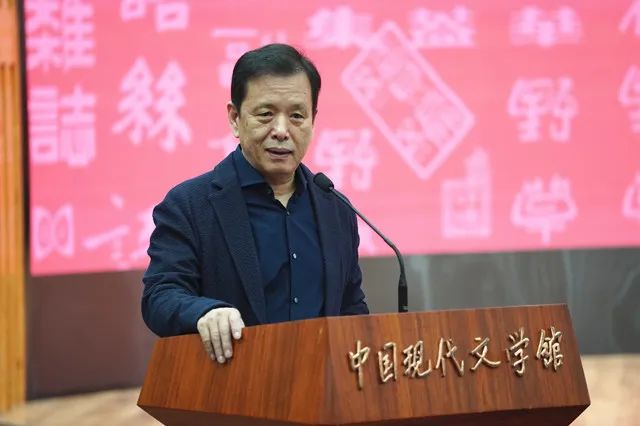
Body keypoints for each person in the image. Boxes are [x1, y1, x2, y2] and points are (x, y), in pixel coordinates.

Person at [141, 44, 369, 364]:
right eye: (265, 115)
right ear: (235, 118)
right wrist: (205, 312)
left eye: (297, 116)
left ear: (313, 120)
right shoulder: (189, 205)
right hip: (234, 383)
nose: (281, 131)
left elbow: (350, 306)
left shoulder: (336, 209)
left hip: (321, 385)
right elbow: (159, 296)